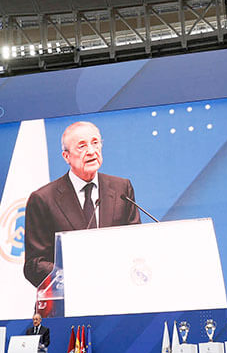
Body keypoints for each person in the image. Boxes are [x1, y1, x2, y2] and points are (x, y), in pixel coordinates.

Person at [22, 121, 140, 288]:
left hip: (117, 292)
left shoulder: (122, 189)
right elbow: (34, 265)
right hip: (70, 299)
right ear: (66, 156)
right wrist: (78, 277)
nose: (91, 151)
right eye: (82, 146)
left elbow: (136, 245)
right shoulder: (43, 199)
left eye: (95, 143)